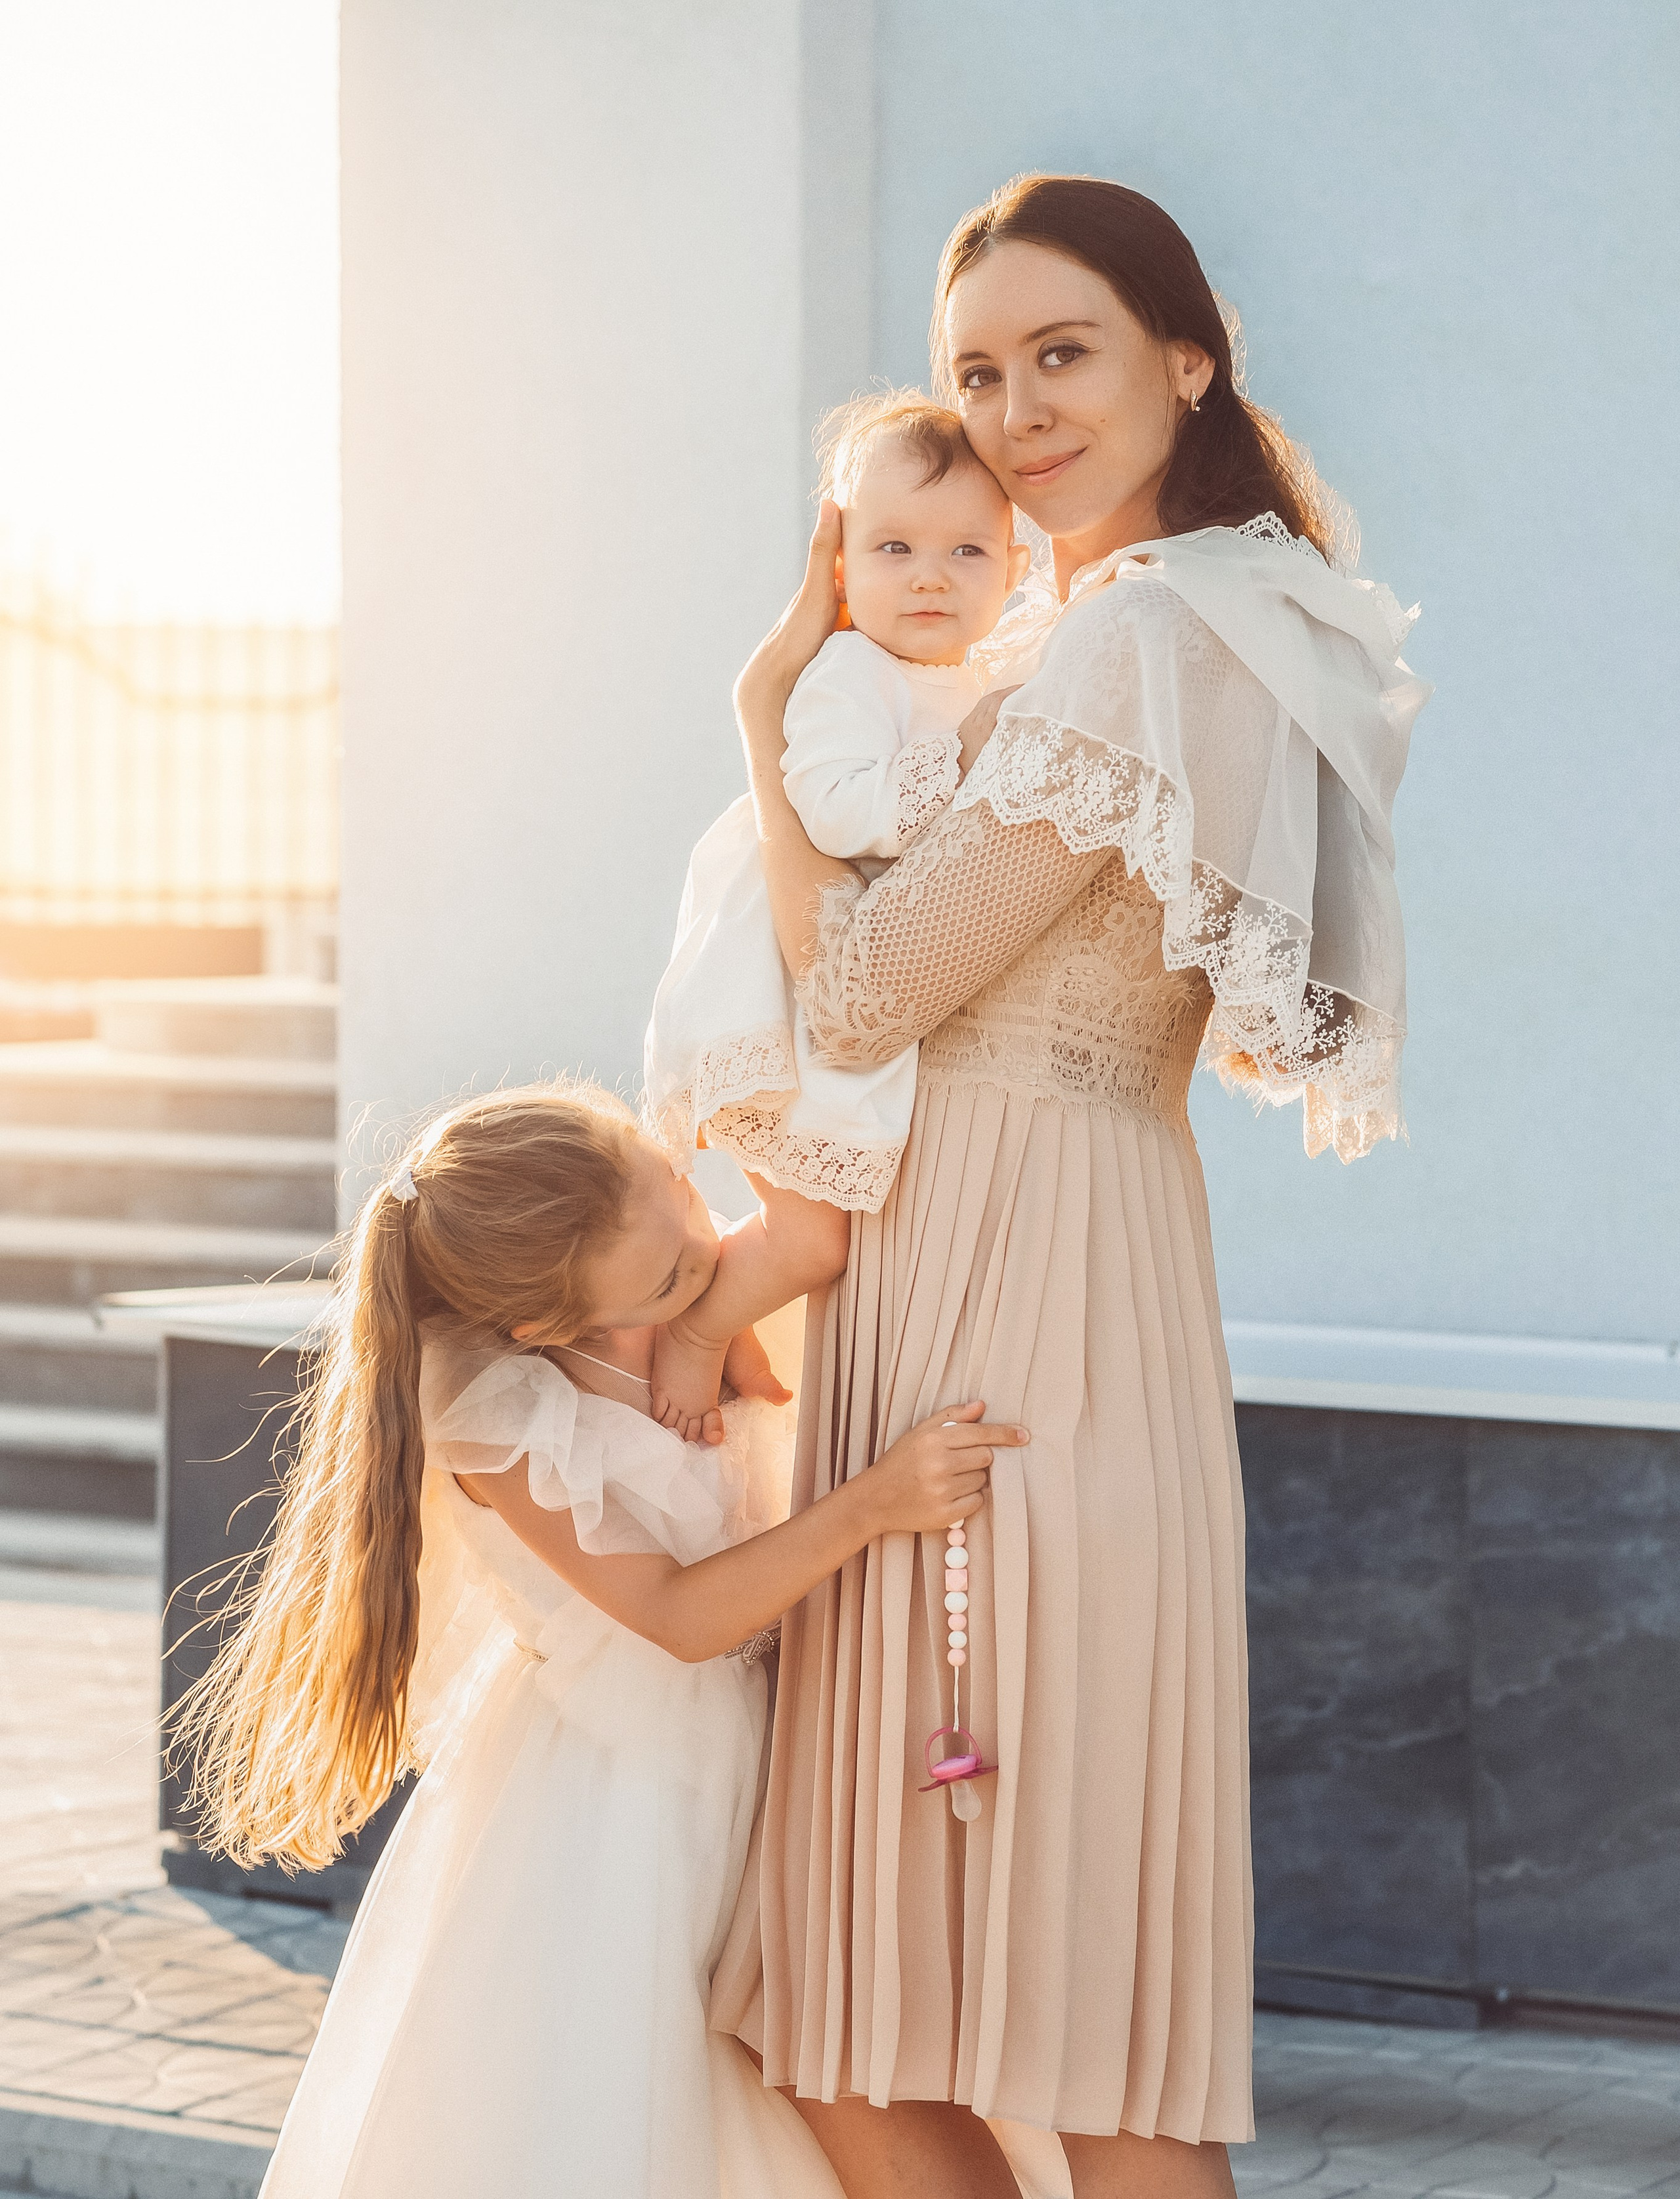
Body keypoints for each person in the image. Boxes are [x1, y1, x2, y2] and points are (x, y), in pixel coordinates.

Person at [715, 175, 1431, 2199]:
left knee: (898, 2005)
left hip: (1008, 1296)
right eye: (974, 371)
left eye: (1064, 354)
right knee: (1025, 2003)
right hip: (1072, 1258)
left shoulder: (1139, 636)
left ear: (1182, 360)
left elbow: (861, 984)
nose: (1015, 409)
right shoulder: (1219, 614)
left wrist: (762, 724)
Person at [177, 1082, 1028, 2199]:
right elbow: (679, 1617)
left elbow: (812, 1234)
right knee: (652, 2109)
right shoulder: (500, 1415)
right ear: (541, 1322)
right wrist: (875, 1503)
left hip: (784, 1746)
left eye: (678, 1191)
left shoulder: (680, 1280)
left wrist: (710, 1256)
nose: (699, 1245)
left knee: (866, 2073)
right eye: (669, 1273)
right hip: (637, 1801)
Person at [644, 392, 1028, 1435]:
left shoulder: (975, 679)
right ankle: (688, 1331)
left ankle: (715, 1324)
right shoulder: (852, 671)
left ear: (1014, 572)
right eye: (895, 547)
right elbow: (836, 806)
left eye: (966, 553)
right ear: (842, 564)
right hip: (778, 979)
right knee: (813, 1239)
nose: (931, 576)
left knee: (839, 1237)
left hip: (857, 983)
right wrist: (965, 755)